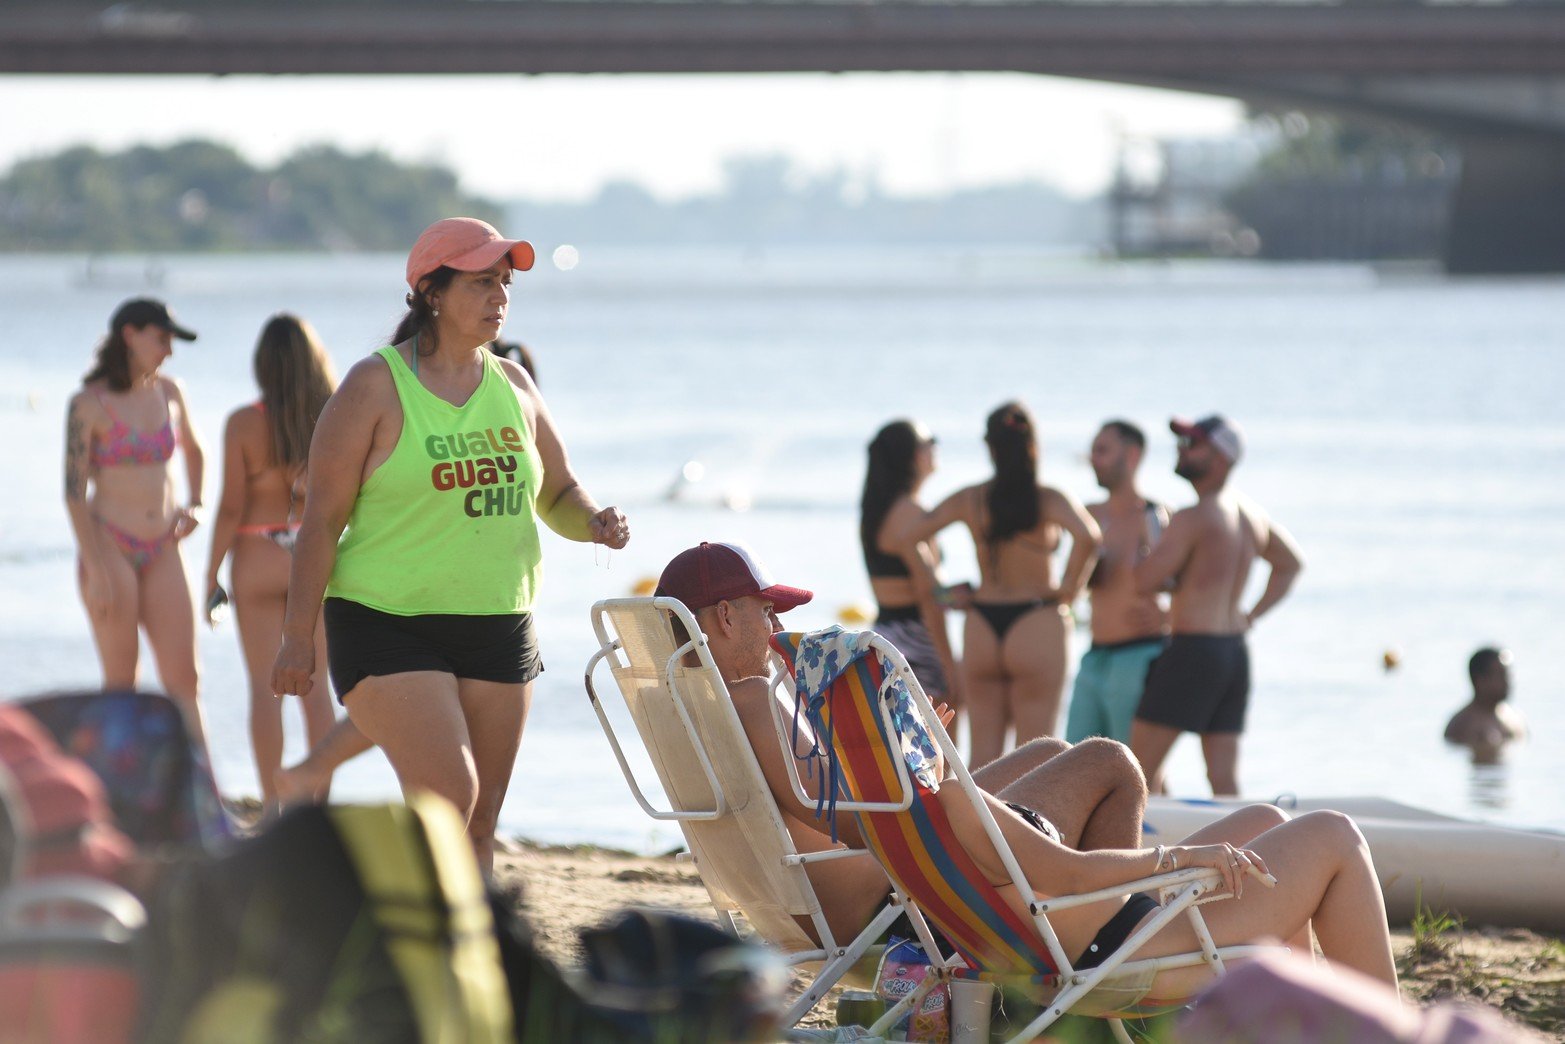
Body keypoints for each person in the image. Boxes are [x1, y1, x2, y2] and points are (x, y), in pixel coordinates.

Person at [658, 540, 1398, 997]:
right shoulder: (763, 707)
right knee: (1330, 835)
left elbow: (820, 804)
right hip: (1097, 949)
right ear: (723, 618)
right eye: (764, 610)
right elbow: (1073, 876)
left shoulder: (692, 710)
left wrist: (909, 776)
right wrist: (1175, 860)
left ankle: (1301, 1022)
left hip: (1033, 918)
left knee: (1269, 823)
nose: (777, 624)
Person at [269, 216, 629, 873]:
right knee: (448, 799)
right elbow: (320, 520)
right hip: (385, 624)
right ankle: (390, 934)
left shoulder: (516, 387)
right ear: (431, 292)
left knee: (480, 828)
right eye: (481, 283)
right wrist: (296, 634)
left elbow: (557, 493)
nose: (499, 296)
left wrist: (594, 522)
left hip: (499, 623)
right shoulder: (372, 386)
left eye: (504, 283)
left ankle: (469, 962)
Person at [912, 402, 1101, 767]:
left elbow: (909, 537)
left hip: (982, 622)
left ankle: (977, 824)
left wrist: (942, 590)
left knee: (983, 756)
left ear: (990, 446)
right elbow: (1089, 536)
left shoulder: (971, 498)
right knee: (1036, 754)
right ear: (1033, 444)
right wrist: (1069, 591)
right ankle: (1024, 825)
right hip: (1037, 619)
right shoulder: (1048, 498)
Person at [204, 314, 340, 815]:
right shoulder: (332, 416)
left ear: (263, 365)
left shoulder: (243, 423)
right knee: (315, 689)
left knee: (266, 693)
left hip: (256, 559)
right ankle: (315, 808)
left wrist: (210, 576)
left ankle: (270, 811)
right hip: (314, 557)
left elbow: (230, 508)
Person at [64, 297, 211, 756]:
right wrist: (97, 568)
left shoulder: (170, 392)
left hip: (165, 545)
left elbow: (195, 450)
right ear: (130, 334)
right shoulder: (88, 404)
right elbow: (73, 493)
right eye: (162, 338)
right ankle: (120, 796)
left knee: (185, 680)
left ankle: (201, 794)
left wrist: (197, 505)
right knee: (122, 683)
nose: (168, 350)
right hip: (110, 547)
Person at [1129, 415, 1304, 797]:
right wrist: (1251, 615)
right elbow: (1290, 564)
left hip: (1193, 649)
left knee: (1137, 770)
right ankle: (1243, 851)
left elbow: (1143, 583)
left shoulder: (1193, 517)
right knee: (1223, 779)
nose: (1181, 449)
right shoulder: (1252, 515)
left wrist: (1147, 541)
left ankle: (1142, 848)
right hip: (1232, 652)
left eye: (1193, 444)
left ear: (1221, 458)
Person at [1066, 420, 1169, 745]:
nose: (1094, 458)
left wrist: (1171, 618)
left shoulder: (1153, 516)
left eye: (1103, 450)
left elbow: (1189, 581)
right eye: (1093, 450)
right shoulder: (1088, 515)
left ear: (1132, 455)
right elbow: (1068, 585)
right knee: (1072, 761)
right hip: (1094, 656)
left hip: (1139, 655)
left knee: (1140, 766)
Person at [859, 420, 963, 733]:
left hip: (884, 633)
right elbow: (928, 597)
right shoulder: (913, 514)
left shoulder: (874, 511)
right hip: (918, 636)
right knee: (941, 747)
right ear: (913, 456)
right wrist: (950, 665)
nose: (935, 448)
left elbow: (902, 582)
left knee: (900, 747)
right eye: (930, 441)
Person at [1444, 647, 1526, 762]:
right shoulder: (1463, 725)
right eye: (1501, 675)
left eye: (1507, 675)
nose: (1507, 682)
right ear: (1480, 681)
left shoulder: (1514, 717)